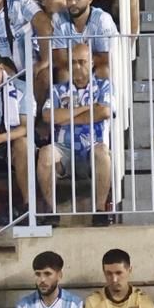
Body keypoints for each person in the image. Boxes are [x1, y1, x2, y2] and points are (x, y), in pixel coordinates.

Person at [36, 46, 117, 224]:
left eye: (82, 62)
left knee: (103, 153)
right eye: (73, 62)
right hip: (63, 148)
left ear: (92, 63)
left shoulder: (104, 85)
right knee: (45, 153)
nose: (78, 67)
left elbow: (103, 112)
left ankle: (100, 210)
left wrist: (65, 117)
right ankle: (52, 212)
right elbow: (48, 116)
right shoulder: (57, 89)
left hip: (93, 146)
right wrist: (87, 108)